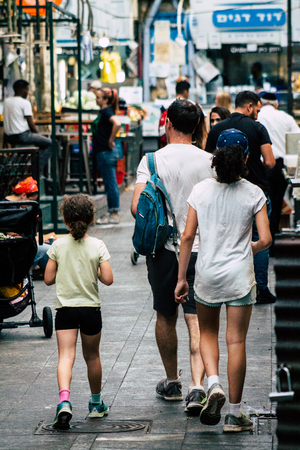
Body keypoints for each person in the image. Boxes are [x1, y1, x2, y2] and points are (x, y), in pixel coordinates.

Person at [175, 129, 272, 432]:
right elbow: (266, 239)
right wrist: (250, 247)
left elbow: (188, 236)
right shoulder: (254, 193)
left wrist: (181, 278)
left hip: (207, 274)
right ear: (246, 157)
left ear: (215, 156)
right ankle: (234, 413)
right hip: (240, 277)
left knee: (207, 334)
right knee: (236, 341)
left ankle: (213, 383)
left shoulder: (201, 190)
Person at [131, 99, 215, 414]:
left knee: (165, 315)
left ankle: (172, 382)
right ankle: (197, 386)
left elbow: (137, 207)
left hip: (164, 251)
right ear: (195, 127)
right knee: (198, 319)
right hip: (202, 250)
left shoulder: (151, 161)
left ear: (167, 124)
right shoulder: (209, 161)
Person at [44, 193, 113, 428]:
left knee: (66, 357)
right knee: (92, 356)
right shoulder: (98, 245)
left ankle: (64, 401)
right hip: (90, 309)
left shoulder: (57, 245)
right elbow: (108, 279)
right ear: (91, 218)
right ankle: (95, 404)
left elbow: (48, 278)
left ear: (65, 220)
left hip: (66, 310)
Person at [205, 91, 276, 305]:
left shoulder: (217, 128)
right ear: (250, 106)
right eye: (257, 109)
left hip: (223, 192)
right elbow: (271, 162)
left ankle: (226, 284)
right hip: (257, 191)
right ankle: (261, 288)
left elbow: (208, 161)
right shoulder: (257, 127)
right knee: (259, 237)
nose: (257, 113)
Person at [257, 92, 300, 250]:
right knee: (276, 204)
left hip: (263, 165)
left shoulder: (258, 116)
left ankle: (264, 242)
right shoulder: (286, 117)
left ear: (261, 104)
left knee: (262, 203)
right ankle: (274, 242)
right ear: (276, 105)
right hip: (282, 165)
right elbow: (297, 138)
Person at [2, 176, 53, 274]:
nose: (29, 206)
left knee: (51, 245)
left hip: (21, 244)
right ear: (24, 196)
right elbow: (12, 234)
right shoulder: (10, 209)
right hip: (17, 247)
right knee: (49, 250)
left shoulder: (11, 205)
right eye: (30, 202)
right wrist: (32, 239)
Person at [3, 80, 52, 171]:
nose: (28, 93)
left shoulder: (6, 101)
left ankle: (27, 166)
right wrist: (38, 135)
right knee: (50, 143)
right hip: (22, 136)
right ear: (21, 90)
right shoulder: (25, 103)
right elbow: (31, 125)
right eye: (27, 90)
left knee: (41, 141)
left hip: (8, 137)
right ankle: (36, 170)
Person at [92, 88, 121, 224]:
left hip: (106, 152)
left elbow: (117, 123)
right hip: (103, 152)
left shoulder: (106, 111)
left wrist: (110, 140)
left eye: (98, 97)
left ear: (105, 100)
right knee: (110, 182)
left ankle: (113, 213)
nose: (96, 99)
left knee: (110, 183)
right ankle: (112, 212)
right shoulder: (104, 111)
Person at [158, 79, 191, 148]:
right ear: (185, 92)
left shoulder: (165, 105)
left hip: (166, 140)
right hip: (186, 142)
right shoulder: (190, 105)